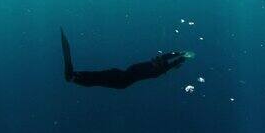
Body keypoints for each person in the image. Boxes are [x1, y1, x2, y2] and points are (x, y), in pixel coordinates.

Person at [61, 28, 190, 89]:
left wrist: (181, 59)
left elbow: (168, 65)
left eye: (157, 61)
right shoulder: (153, 64)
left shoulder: (155, 72)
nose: (155, 59)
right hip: (121, 74)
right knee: (98, 76)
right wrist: (180, 53)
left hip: (122, 81)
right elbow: (165, 57)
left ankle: (74, 78)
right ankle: (75, 76)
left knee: (98, 79)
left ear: (159, 65)